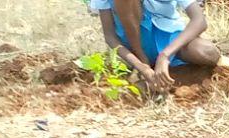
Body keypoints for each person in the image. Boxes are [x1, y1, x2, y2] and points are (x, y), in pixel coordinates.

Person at [88, 0, 220, 91]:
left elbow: (199, 21)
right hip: (137, 47)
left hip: (170, 39)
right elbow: (110, 36)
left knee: (207, 52)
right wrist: (141, 65)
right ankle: (146, 68)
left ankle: (164, 76)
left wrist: (165, 55)